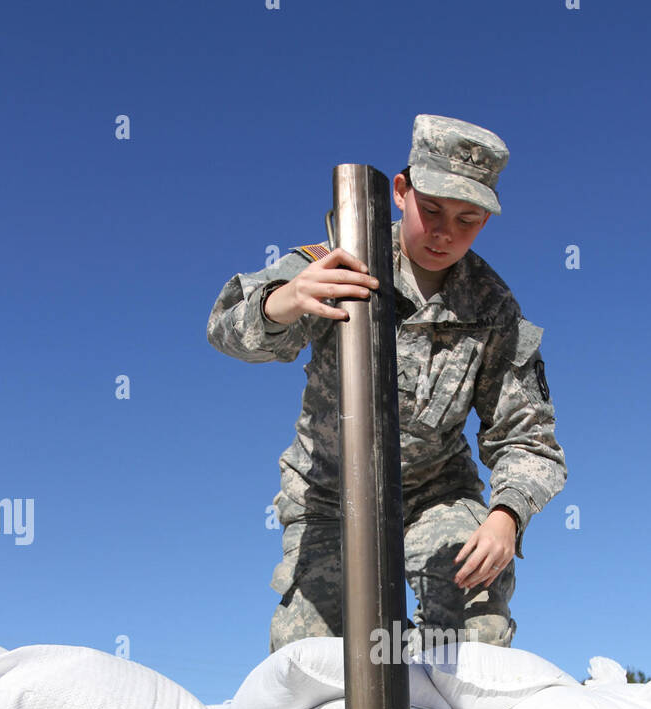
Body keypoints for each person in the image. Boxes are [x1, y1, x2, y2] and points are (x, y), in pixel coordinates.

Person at [207, 114, 566, 653]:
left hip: (434, 493)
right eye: (433, 210)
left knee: (477, 630)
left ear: (485, 223)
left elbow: (528, 439)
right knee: (311, 652)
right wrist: (282, 302)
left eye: (467, 219)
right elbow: (224, 329)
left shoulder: (494, 310)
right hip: (329, 493)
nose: (446, 232)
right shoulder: (336, 259)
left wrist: (506, 516)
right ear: (401, 191)